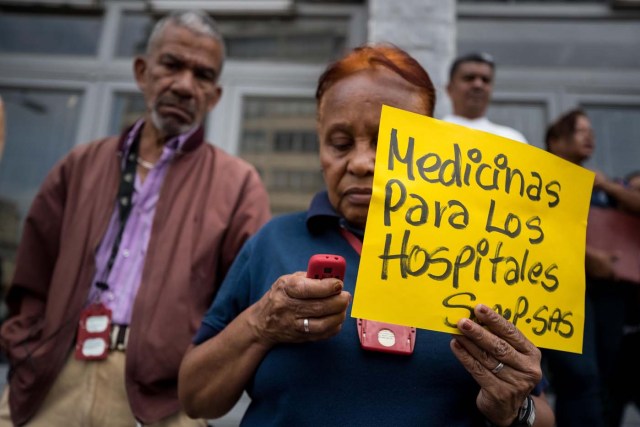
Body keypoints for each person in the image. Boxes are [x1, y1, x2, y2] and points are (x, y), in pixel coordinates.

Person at [178, 44, 555, 427]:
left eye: (387, 142)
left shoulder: (483, 257)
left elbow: (544, 416)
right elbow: (195, 398)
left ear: (429, 144)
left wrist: (516, 408)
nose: (360, 163)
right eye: (340, 144)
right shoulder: (272, 242)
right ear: (320, 142)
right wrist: (261, 322)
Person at [0, 10, 270, 427]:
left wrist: (196, 379)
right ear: (143, 72)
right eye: (172, 65)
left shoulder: (237, 185)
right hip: (52, 380)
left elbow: (245, 309)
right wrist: (27, 352)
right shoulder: (81, 165)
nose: (184, 85)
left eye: (202, 75)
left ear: (214, 96)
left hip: (165, 400)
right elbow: (31, 278)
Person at [544, 109, 640, 427]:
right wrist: (585, 255)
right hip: (561, 291)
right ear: (555, 141)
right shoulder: (540, 180)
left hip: (607, 294)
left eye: (591, 130)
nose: (590, 136)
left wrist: (609, 187)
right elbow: (535, 229)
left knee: (603, 377)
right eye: (578, 130)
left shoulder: (599, 185)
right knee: (580, 377)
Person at [443, 52, 528, 144]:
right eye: (469, 78)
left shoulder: (513, 140)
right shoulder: (432, 134)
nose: (478, 85)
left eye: (485, 80)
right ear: (449, 88)